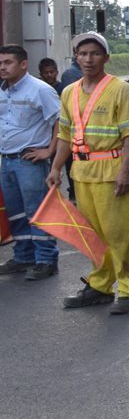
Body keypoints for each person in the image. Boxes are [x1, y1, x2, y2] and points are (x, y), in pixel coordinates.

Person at [46, 32, 129, 313]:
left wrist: (125, 171)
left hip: (111, 171)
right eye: (83, 54)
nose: (88, 59)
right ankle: (100, 286)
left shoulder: (119, 89)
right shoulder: (69, 92)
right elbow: (65, 134)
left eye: (95, 54)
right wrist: (55, 169)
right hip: (81, 172)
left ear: (106, 58)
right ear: (76, 57)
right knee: (92, 235)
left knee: (119, 234)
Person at [0, 45, 61, 280]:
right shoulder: (3, 91)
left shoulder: (40, 90)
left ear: (23, 64)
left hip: (29, 162)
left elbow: (60, 121)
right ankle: (24, 256)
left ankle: (46, 259)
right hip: (7, 160)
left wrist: (49, 150)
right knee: (16, 213)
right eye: (1, 63)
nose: (3, 67)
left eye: (8, 62)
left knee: (38, 211)